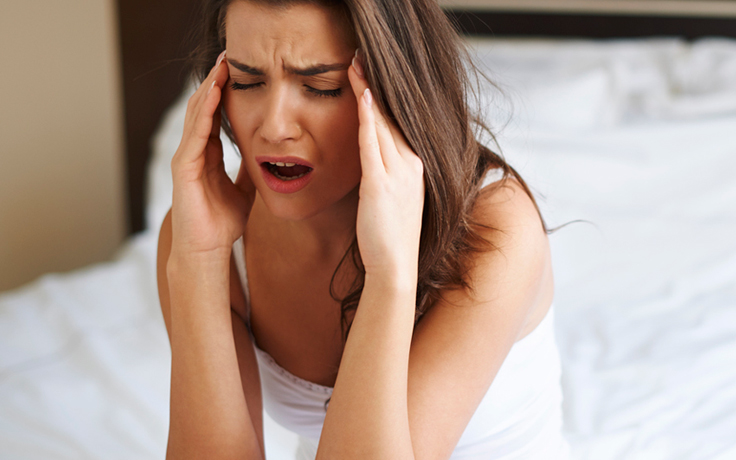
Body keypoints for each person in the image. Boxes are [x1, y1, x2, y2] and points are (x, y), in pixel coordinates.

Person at [154, 0, 570, 458]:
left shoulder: (496, 231)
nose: (273, 127)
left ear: (397, 91)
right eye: (247, 81)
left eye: (321, 87)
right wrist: (198, 261)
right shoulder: (208, 232)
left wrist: (389, 276)